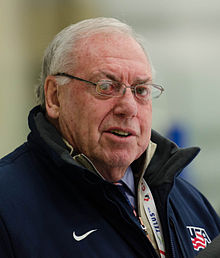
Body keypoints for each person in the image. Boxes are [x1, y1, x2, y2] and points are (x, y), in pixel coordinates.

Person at [0, 17, 219, 258]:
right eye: (106, 86)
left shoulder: (189, 201)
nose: (129, 107)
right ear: (54, 97)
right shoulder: (8, 204)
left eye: (141, 90)